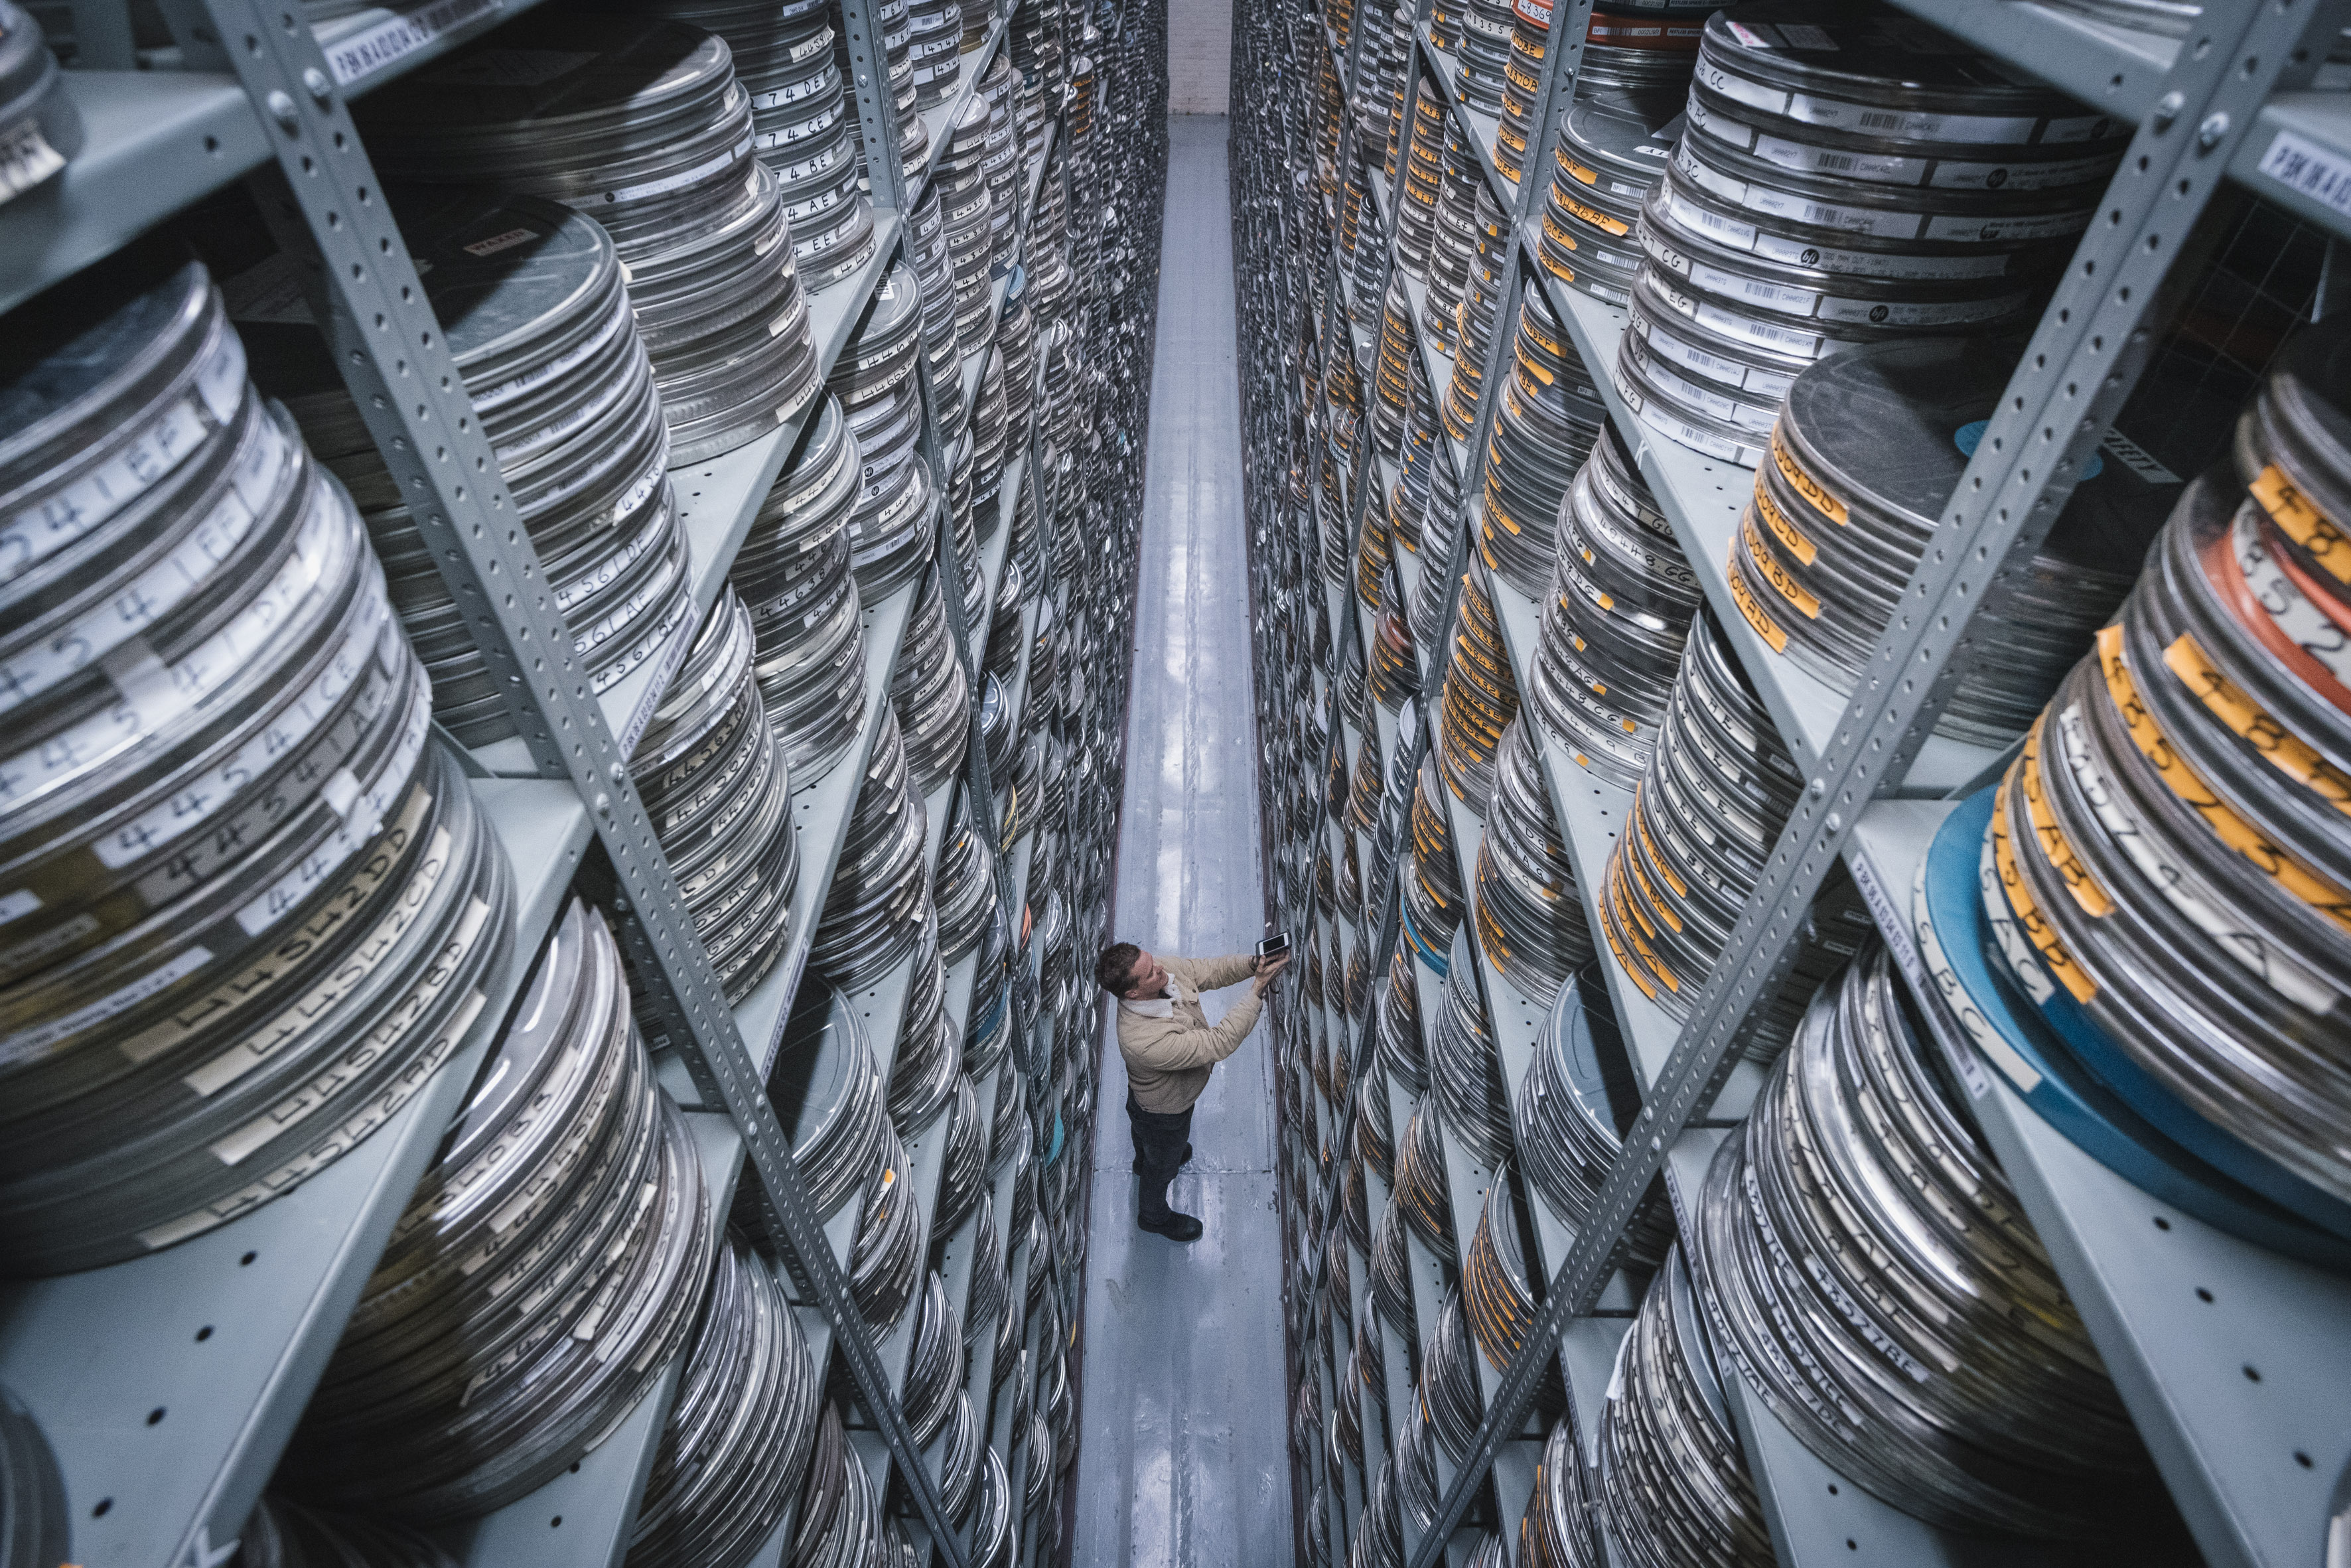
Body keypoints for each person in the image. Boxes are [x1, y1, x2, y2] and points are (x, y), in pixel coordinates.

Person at [1097, 941, 1289, 1241]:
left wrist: (1254, 963)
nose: (1160, 968)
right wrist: (1257, 990)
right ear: (1133, 993)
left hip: (1147, 1098)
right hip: (1164, 1112)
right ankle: (1153, 1216)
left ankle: (1143, 1159)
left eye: (1152, 962)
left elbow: (1205, 971)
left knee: (1146, 1137)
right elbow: (1217, 1043)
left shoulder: (1155, 971)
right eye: (1150, 973)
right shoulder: (1143, 1040)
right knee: (1161, 1168)